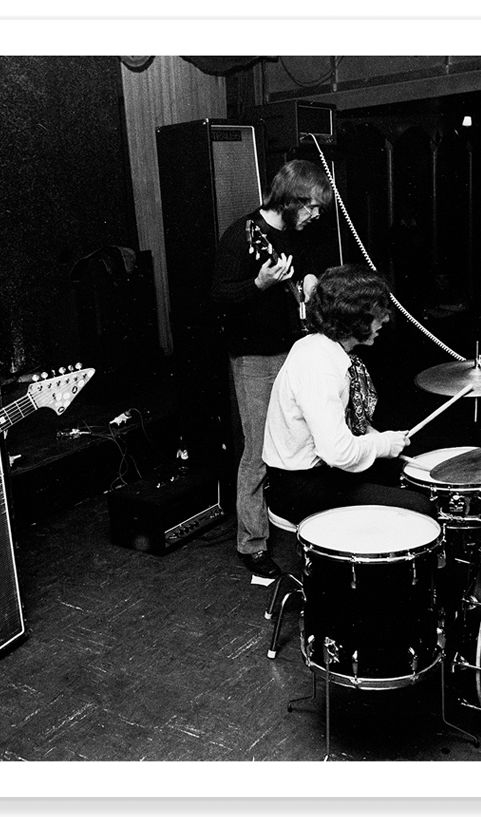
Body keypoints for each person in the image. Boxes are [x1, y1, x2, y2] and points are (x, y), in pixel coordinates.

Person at [210, 159, 333, 579]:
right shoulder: (241, 235)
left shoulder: (300, 231)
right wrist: (258, 284)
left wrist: (313, 283)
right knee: (258, 451)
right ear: (291, 198)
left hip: (296, 350)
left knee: (310, 439)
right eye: (313, 206)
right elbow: (218, 297)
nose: (317, 215)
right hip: (254, 358)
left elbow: (310, 271)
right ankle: (252, 544)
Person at [262, 265, 434, 526]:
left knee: (409, 472)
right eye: (378, 314)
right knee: (419, 507)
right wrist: (383, 445)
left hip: (320, 471)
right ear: (354, 320)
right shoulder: (318, 367)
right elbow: (338, 453)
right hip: (299, 486)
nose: (385, 320)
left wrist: (375, 438)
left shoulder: (321, 347)